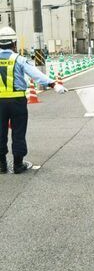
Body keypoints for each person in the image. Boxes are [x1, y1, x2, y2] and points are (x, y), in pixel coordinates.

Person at [0, 27, 67, 174]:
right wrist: (54, 84)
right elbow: (37, 75)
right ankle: (18, 165)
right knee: (18, 132)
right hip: (17, 101)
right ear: (14, 43)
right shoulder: (19, 59)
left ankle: (1, 165)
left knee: (0, 132)